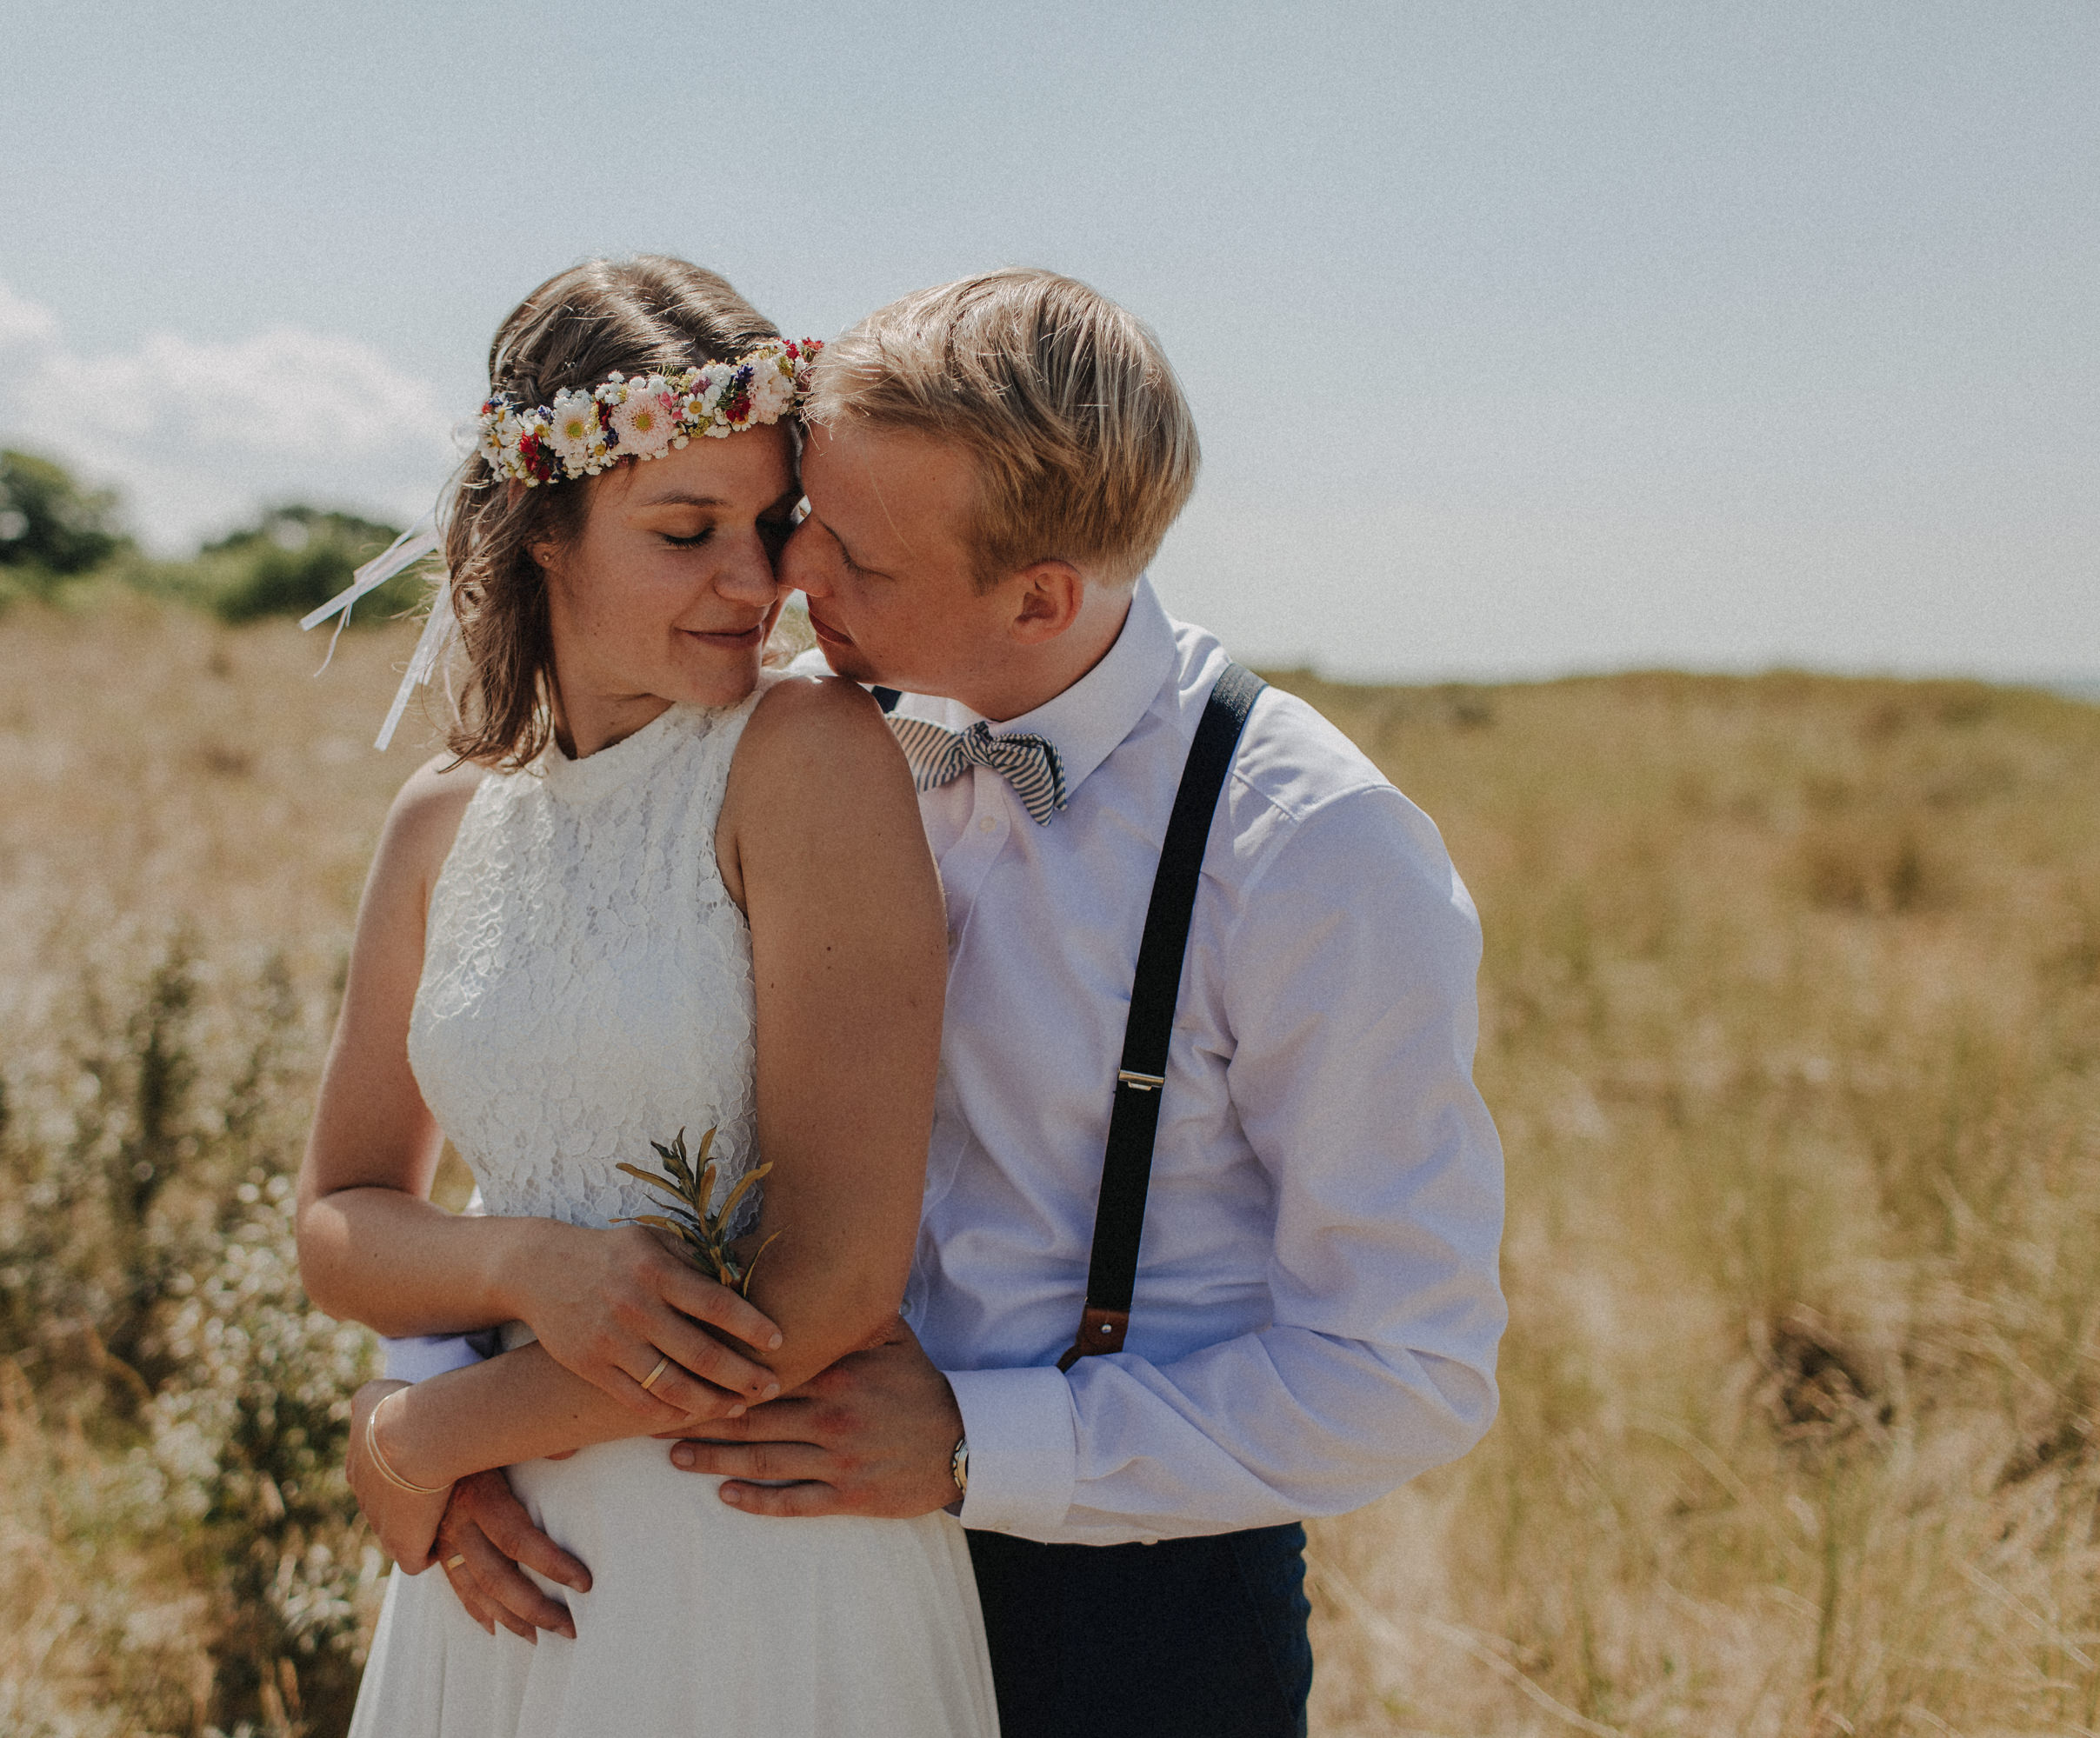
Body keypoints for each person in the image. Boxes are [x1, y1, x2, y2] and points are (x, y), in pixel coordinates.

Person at [400, 268, 1509, 1738]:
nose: (790, 581)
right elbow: (552, 1053)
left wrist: (992, 1447)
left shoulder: (1310, 850)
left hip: (1125, 1606)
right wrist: (438, 1392)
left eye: (850, 553)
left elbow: (1406, 1368)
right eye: (802, 519)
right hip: (745, 1556)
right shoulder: (792, 731)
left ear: (1039, 594)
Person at [295, 256, 998, 1738]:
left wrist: (423, 1435)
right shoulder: (442, 817)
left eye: (769, 526)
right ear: (542, 531)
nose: (757, 585)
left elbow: (831, 1281)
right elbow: (345, 1214)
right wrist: (518, 1269)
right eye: (687, 532)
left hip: (754, 1561)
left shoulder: (807, 755)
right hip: (501, 1571)